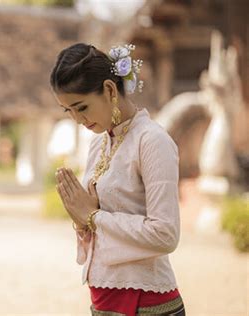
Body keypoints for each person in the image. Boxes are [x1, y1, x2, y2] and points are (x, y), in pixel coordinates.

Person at [50, 43, 185, 315]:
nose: (77, 119)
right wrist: (81, 220)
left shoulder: (152, 141)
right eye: (69, 111)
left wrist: (94, 217)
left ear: (110, 90)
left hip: (146, 303)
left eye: (81, 107)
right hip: (103, 299)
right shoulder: (98, 144)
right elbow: (97, 227)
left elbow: (166, 234)